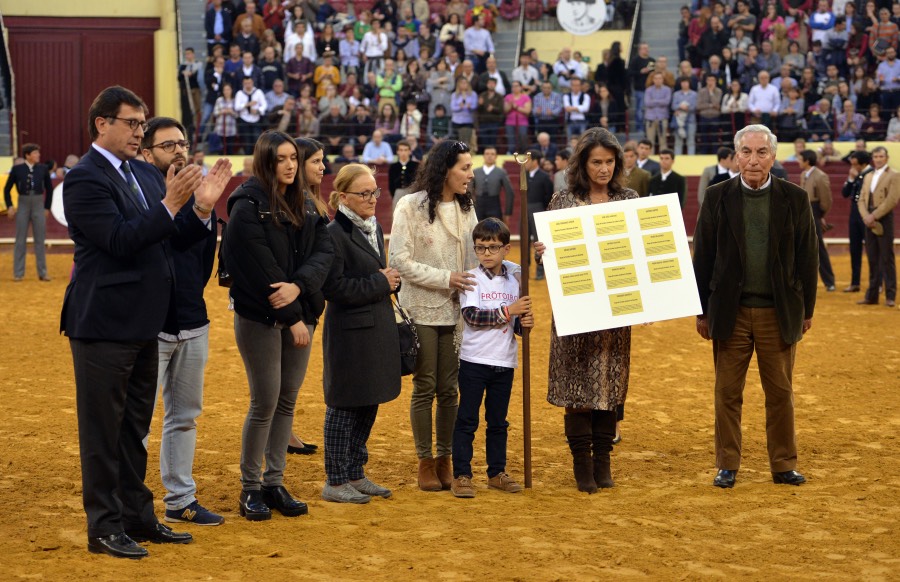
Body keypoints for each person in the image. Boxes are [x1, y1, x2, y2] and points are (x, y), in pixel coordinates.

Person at [61, 86, 227, 558]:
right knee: (102, 433)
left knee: (133, 428)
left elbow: (171, 240)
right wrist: (173, 204)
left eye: (141, 122)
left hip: (144, 323)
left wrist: (197, 207)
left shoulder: (141, 173)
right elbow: (117, 240)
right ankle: (104, 527)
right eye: (132, 123)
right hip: (103, 323)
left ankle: (139, 516)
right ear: (102, 123)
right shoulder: (83, 178)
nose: (139, 131)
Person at [389, 140, 519, 491]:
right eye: (464, 167)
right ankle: (425, 461)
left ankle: (446, 457)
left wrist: (520, 266)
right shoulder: (409, 206)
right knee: (425, 385)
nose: (470, 174)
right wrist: (446, 279)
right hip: (421, 306)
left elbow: (480, 256)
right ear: (445, 169)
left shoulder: (466, 206)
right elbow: (399, 261)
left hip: (457, 310)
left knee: (449, 389)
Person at [693, 124, 818, 490]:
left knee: (780, 393)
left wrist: (805, 311)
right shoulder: (716, 197)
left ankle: (783, 464)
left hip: (777, 313)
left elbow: (808, 258)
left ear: (773, 157)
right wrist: (702, 311)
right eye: (746, 152)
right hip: (730, 312)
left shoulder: (794, 198)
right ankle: (727, 463)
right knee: (726, 393)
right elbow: (703, 257)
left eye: (761, 152)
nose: (753, 159)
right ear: (735, 156)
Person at [224, 130, 333, 521]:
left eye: (293, 158)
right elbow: (257, 266)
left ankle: (274, 482)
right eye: (281, 159)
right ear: (267, 162)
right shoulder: (246, 204)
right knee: (265, 401)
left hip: (300, 312)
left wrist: (299, 288)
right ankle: (250, 488)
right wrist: (292, 318)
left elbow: (324, 252)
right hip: (262, 318)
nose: (289, 165)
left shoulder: (304, 203)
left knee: (286, 400)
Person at [532, 128, 638, 494]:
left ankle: (603, 460)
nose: (604, 168)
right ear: (583, 163)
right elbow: (550, 260)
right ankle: (582, 464)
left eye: (610, 162)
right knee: (578, 388)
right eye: (597, 162)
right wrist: (542, 253)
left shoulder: (629, 199)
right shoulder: (562, 201)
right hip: (575, 311)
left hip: (614, 313)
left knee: (609, 385)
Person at [140, 117, 231, 526]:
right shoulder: (140, 196)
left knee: (185, 416)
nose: (179, 150)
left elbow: (197, 261)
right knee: (137, 420)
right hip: (149, 324)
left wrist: (203, 204)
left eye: (182, 142)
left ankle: (180, 499)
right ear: (146, 154)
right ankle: (132, 503)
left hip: (193, 320)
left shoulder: (202, 194)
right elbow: (172, 241)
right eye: (167, 145)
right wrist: (201, 206)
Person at [320, 164, 401, 503]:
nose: (372, 199)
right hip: (349, 331)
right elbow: (332, 287)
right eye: (364, 194)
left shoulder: (372, 225)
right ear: (342, 197)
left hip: (374, 328)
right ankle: (335, 480)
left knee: (369, 400)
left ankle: (355, 472)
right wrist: (380, 282)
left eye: (374, 192)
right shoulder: (332, 234)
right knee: (344, 405)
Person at [450, 218, 534, 498]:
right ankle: (462, 474)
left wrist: (525, 323)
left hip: (504, 361)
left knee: (498, 421)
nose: (486, 253)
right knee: (467, 420)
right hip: (474, 360)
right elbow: (472, 317)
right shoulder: (471, 279)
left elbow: (518, 326)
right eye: (481, 247)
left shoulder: (514, 280)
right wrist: (510, 311)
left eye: (493, 247)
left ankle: (496, 472)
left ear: (506, 249)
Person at [857, 146, 899, 307]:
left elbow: (892, 200)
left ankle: (890, 295)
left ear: (886, 158)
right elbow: (861, 199)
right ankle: (872, 295)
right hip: (868, 217)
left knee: (887, 257)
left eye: (881, 156)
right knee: (873, 257)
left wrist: (873, 216)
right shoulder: (868, 176)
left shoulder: (894, 175)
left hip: (883, 217)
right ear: (872, 158)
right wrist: (865, 216)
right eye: (876, 156)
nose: (878, 159)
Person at [4, 143, 53, 282]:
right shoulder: (17, 169)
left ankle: (43, 273)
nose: (38, 155)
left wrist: (46, 207)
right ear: (28, 155)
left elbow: (49, 189)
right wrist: (10, 206)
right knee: (20, 240)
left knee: (40, 240)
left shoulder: (43, 169)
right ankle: (18, 274)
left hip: (38, 203)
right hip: (23, 203)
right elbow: (7, 189)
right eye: (35, 153)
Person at [798, 150, 836, 292]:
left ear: (807, 160)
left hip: (814, 211)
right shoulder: (804, 174)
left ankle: (829, 281)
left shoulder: (820, 176)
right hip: (804, 211)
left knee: (818, 247)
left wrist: (819, 215)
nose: (798, 161)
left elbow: (826, 200)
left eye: (800, 158)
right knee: (802, 247)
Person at [841, 151, 872, 293]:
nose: (852, 167)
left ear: (863, 163)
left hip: (867, 214)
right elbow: (845, 193)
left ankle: (876, 284)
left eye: (855, 164)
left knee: (873, 251)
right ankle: (855, 283)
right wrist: (850, 179)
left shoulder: (871, 174)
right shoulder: (855, 175)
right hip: (854, 214)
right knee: (855, 249)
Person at [525, 150, 554, 280]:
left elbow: (548, 196)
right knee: (525, 241)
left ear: (535, 161)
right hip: (525, 210)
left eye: (528, 159)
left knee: (539, 241)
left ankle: (540, 270)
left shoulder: (544, 176)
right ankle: (524, 270)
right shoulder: (523, 175)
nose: (525, 162)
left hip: (539, 209)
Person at [471, 147, 514, 223]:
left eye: (492, 154)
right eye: (487, 154)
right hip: (478, 206)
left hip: (494, 206)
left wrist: (507, 213)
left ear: (496, 156)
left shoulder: (501, 172)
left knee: (495, 231)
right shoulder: (475, 171)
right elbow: (469, 191)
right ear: (483, 156)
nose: (489, 156)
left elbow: (509, 192)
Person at [389, 139, 420, 210]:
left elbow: (418, 182)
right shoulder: (393, 166)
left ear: (409, 151)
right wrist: (395, 194)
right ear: (397, 151)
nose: (403, 153)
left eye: (405, 150)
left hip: (412, 193)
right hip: (398, 192)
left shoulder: (416, 165)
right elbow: (391, 185)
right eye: (401, 150)